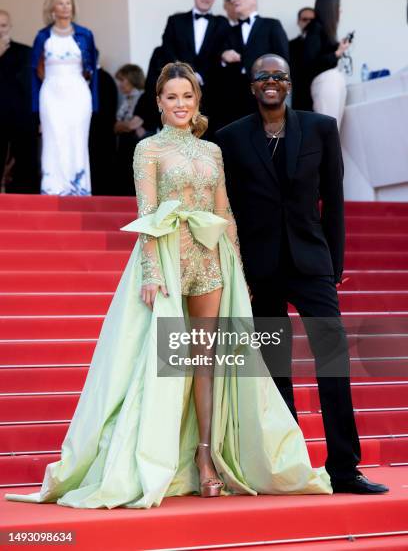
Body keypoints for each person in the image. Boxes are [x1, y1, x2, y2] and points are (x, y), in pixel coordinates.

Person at [5, 61, 332, 509]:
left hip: (211, 264)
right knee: (165, 365)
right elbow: (147, 215)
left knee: (207, 364)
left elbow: (225, 212)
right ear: (158, 102)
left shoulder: (212, 151)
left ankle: (205, 461)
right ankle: (155, 458)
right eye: (172, 97)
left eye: (187, 97)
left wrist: (237, 270)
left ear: (197, 101)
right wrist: (152, 273)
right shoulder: (148, 150)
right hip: (169, 263)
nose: (180, 104)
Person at [215, 53, 389, 495]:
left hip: (312, 266)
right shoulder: (231, 139)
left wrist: (334, 266)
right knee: (276, 372)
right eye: (262, 77)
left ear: (289, 83)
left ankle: (345, 469)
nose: (270, 82)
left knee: (334, 363)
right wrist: (239, 270)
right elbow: (228, 208)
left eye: (278, 76)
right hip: (262, 270)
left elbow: (333, 199)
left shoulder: (319, 128)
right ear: (252, 86)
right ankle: (289, 465)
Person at [32, 0, 98, 195]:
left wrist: (94, 102)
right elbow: (34, 70)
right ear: (52, 8)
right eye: (60, 3)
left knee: (77, 137)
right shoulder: (43, 36)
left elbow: (93, 70)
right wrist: (34, 105)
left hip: (78, 91)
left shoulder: (85, 34)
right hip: (51, 92)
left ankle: (79, 188)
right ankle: (53, 188)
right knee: (54, 137)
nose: (65, 7)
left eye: (68, 3)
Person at [160, 0, 229, 122]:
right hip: (178, 91)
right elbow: (168, 51)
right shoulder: (175, 21)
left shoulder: (223, 23)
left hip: (213, 94)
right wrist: (188, 74)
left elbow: (222, 54)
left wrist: (201, 75)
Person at [219, 0, 289, 127]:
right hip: (234, 96)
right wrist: (224, 57)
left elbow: (283, 59)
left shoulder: (271, 24)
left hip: (265, 91)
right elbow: (219, 61)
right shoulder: (229, 31)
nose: (234, 0)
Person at [0, 9, 39, 193]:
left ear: (10, 27)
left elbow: (31, 86)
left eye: (3, 25)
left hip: (20, 118)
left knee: (25, 166)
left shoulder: (25, 52)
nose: (0, 30)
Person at [301, 0, 349, 126]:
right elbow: (311, 62)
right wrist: (337, 53)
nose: (340, 10)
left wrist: (338, 49)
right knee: (327, 128)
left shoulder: (325, 30)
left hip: (333, 79)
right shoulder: (315, 28)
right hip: (325, 81)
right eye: (338, 6)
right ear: (330, 8)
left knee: (334, 128)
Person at [114, 63, 146, 195]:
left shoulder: (143, 98)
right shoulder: (126, 99)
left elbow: (130, 125)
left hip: (136, 148)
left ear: (132, 78)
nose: (120, 84)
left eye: (122, 80)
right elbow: (116, 127)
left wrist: (121, 126)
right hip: (124, 145)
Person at [88, 54, 118, 195]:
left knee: (102, 173)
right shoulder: (97, 79)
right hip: (97, 135)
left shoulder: (103, 79)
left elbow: (103, 112)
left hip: (101, 136)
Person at [289, 7, 315, 110]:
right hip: (300, 98)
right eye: (305, 19)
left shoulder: (326, 45)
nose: (309, 23)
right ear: (298, 22)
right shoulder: (290, 45)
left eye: (312, 20)